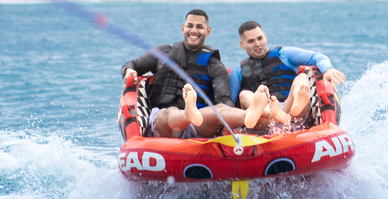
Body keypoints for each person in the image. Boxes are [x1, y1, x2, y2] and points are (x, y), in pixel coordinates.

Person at [121, 10, 269, 138]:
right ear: (183, 28)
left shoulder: (215, 66)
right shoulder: (164, 53)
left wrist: (229, 124)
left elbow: (225, 102)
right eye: (190, 26)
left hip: (198, 123)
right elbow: (130, 65)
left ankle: (248, 115)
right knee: (170, 113)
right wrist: (129, 72)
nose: (194, 30)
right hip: (162, 122)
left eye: (200, 27)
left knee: (219, 111)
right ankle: (187, 113)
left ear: (208, 31)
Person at [230, 21, 346, 129]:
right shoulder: (238, 72)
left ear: (265, 37)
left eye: (260, 38)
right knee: (244, 95)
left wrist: (327, 69)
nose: (257, 44)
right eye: (251, 41)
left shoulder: (285, 55)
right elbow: (229, 107)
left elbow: (317, 57)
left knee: (302, 78)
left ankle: (292, 106)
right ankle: (273, 113)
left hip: (290, 111)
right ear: (242, 45)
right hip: (264, 120)